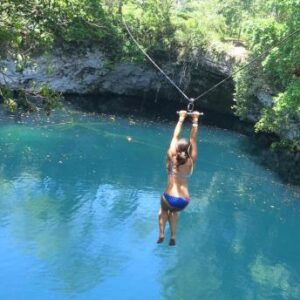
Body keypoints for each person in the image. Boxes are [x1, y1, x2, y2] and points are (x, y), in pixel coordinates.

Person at [157, 110, 201, 246]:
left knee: (163, 211)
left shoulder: (172, 156)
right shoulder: (191, 161)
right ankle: (174, 236)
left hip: (169, 197)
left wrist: (181, 118)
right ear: (188, 150)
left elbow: (175, 136)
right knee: (174, 213)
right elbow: (193, 139)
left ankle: (162, 233)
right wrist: (195, 120)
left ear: (176, 148)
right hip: (184, 200)